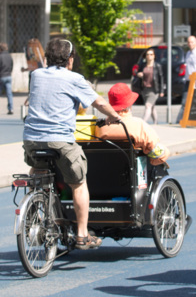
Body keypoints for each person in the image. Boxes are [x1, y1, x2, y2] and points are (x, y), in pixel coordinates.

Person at [23, 38, 123, 249]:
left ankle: (33, 204)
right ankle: (82, 234)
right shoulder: (75, 78)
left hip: (32, 138)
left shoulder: (36, 75)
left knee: (38, 169)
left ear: (48, 58)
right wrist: (114, 116)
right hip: (60, 140)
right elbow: (99, 102)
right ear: (70, 59)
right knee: (78, 183)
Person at [96, 83, 169, 165]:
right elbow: (158, 154)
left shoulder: (100, 127)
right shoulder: (138, 125)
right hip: (133, 169)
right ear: (130, 104)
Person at [135, 49, 164, 124]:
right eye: (147, 54)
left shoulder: (157, 66)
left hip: (154, 89)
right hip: (144, 89)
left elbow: (161, 78)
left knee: (148, 106)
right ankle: (155, 122)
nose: (149, 56)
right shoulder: (142, 65)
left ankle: (142, 122)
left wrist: (162, 91)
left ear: (154, 56)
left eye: (151, 54)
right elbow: (138, 73)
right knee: (152, 107)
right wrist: (139, 74)